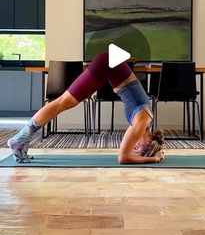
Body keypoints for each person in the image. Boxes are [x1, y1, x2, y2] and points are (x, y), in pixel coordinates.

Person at [8, 52, 165, 164]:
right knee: (63, 101)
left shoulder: (145, 121)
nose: (135, 147)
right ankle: (19, 139)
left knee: (64, 101)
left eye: (136, 150)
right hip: (106, 64)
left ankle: (22, 139)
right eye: (141, 149)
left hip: (107, 63)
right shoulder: (142, 122)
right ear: (150, 139)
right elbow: (123, 158)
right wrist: (153, 158)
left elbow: (128, 154)